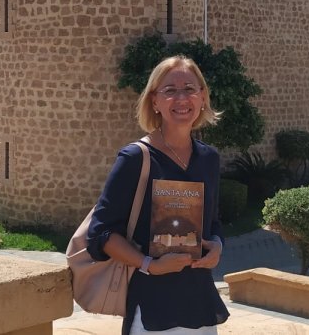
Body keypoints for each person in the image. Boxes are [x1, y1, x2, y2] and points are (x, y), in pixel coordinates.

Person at [87, 56, 229, 334]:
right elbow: (101, 233)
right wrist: (150, 265)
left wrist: (218, 247)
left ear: (202, 97)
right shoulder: (135, 158)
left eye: (189, 89)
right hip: (151, 308)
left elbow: (213, 222)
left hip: (199, 303)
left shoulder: (209, 158)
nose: (181, 98)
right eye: (170, 90)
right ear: (155, 101)